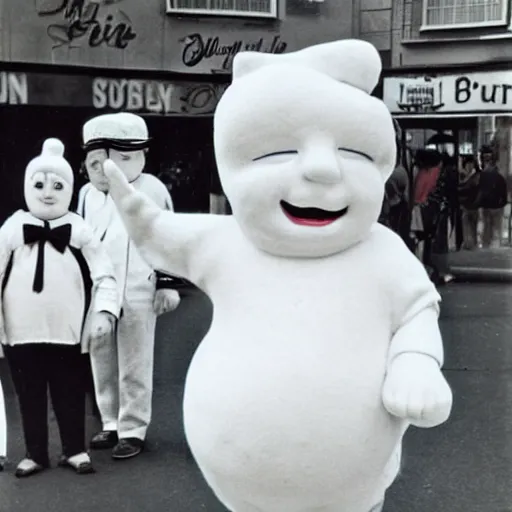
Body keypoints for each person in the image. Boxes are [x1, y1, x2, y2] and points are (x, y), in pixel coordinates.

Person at [100, 39, 452, 512]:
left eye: (354, 153)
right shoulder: (228, 243)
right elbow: (161, 236)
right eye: (279, 153)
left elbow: (418, 312)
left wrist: (416, 362)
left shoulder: (381, 252)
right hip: (242, 489)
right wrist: (137, 214)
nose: (323, 170)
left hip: (352, 491)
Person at [0, 138, 118, 477]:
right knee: (29, 393)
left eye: (57, 186)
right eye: (39, 185)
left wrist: (104, 312)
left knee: (69, 390)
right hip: (21, 330)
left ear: (68, 188)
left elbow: (104, 273)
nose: (47, 193)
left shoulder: (79, 227)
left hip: (67, 330)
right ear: (27, 186)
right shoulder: (12, 227)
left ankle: (74, 450)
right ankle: (35, 452)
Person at [78, 113, 181, 460]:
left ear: (141, 155)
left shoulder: (151, 189)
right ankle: (109, 420)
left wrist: (166, 282)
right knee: (101, 353)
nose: (115, 166)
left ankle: (133, 427)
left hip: (139, 282)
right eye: (106, 158)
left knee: (136, 357)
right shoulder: (88, 195)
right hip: (100, 286)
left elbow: (166, 237)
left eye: (126, 156)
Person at [479, 145, 508, 248]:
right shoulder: (499, 177)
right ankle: (495, 245)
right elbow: (503, 193)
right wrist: (502, 203)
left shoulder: (483, 176)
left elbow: (480, 190)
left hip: (486, 206)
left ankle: (486, 244)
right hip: (497, 206)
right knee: (496, 228)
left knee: (486, 227)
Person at [458, 155, 481, 250]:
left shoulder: (476, 176)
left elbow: (469, 187)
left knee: (471, 226)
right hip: (466, 205)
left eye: (471, 164)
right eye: (468, 164)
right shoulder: (464, 175)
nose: (469, 166)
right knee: (468, 226)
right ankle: (469, 244)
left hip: (473, 205)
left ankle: (472, 244)